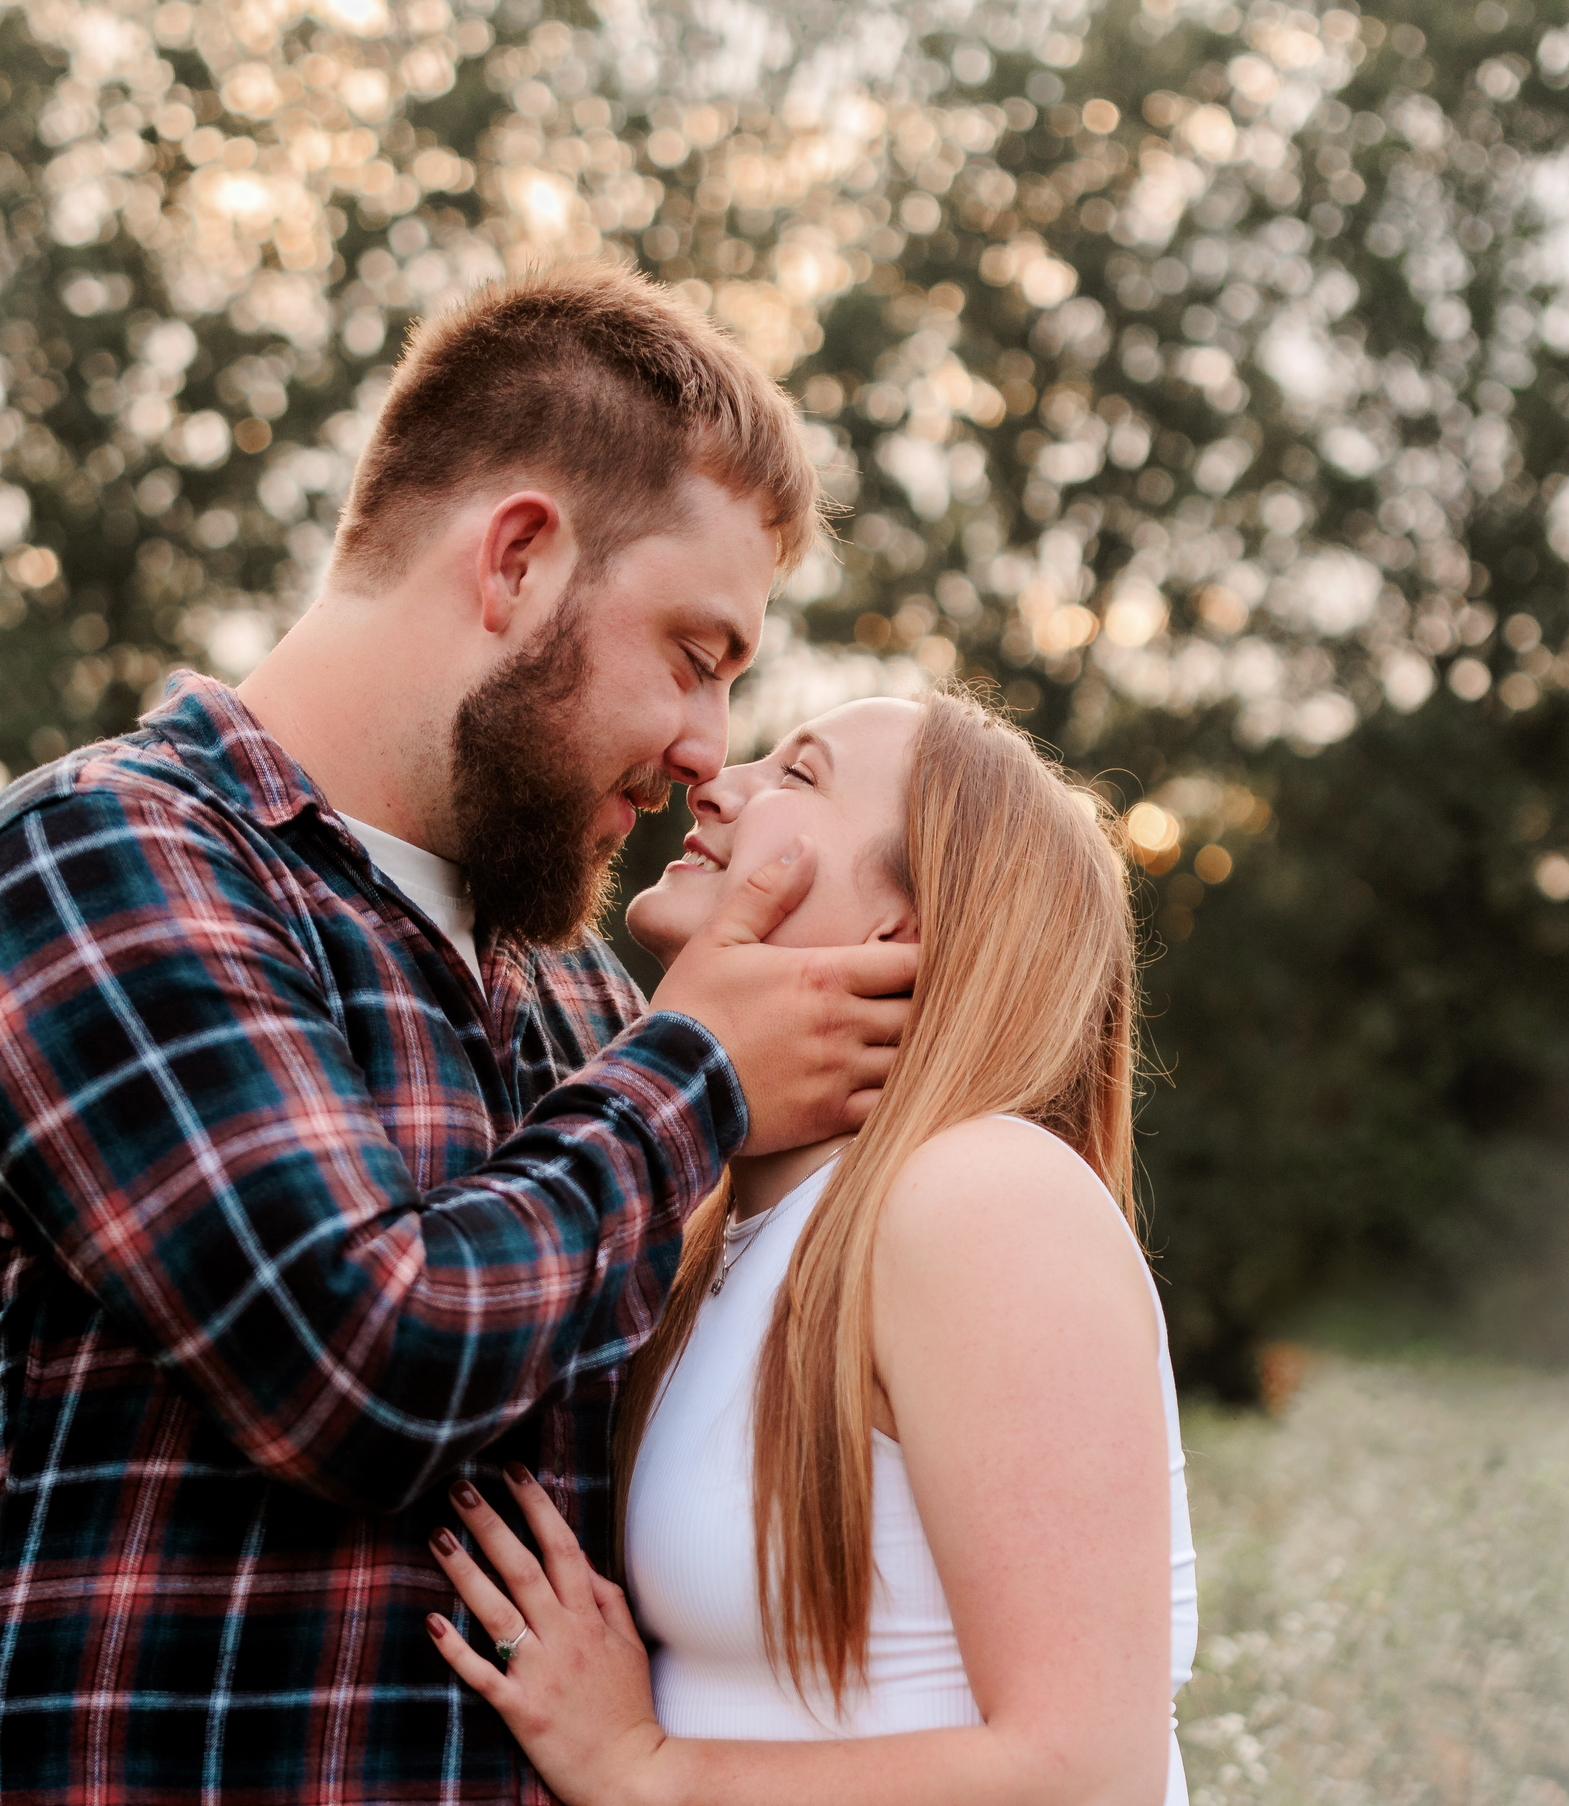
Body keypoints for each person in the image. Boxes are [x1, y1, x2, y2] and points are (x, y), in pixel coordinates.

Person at [0, 261, 915, 1803]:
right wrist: (698, 1073)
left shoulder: (586, 1000)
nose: (708, 751)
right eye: (694, 657)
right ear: (518, 560)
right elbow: (361, 1363)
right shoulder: (103, 854)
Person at [424, 687, 1201, 1806]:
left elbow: (1086, 1773)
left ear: (900, 928)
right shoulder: (720, 1234)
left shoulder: (980, 1195)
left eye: (798, 774)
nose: (715, 781)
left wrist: (644, 1771)